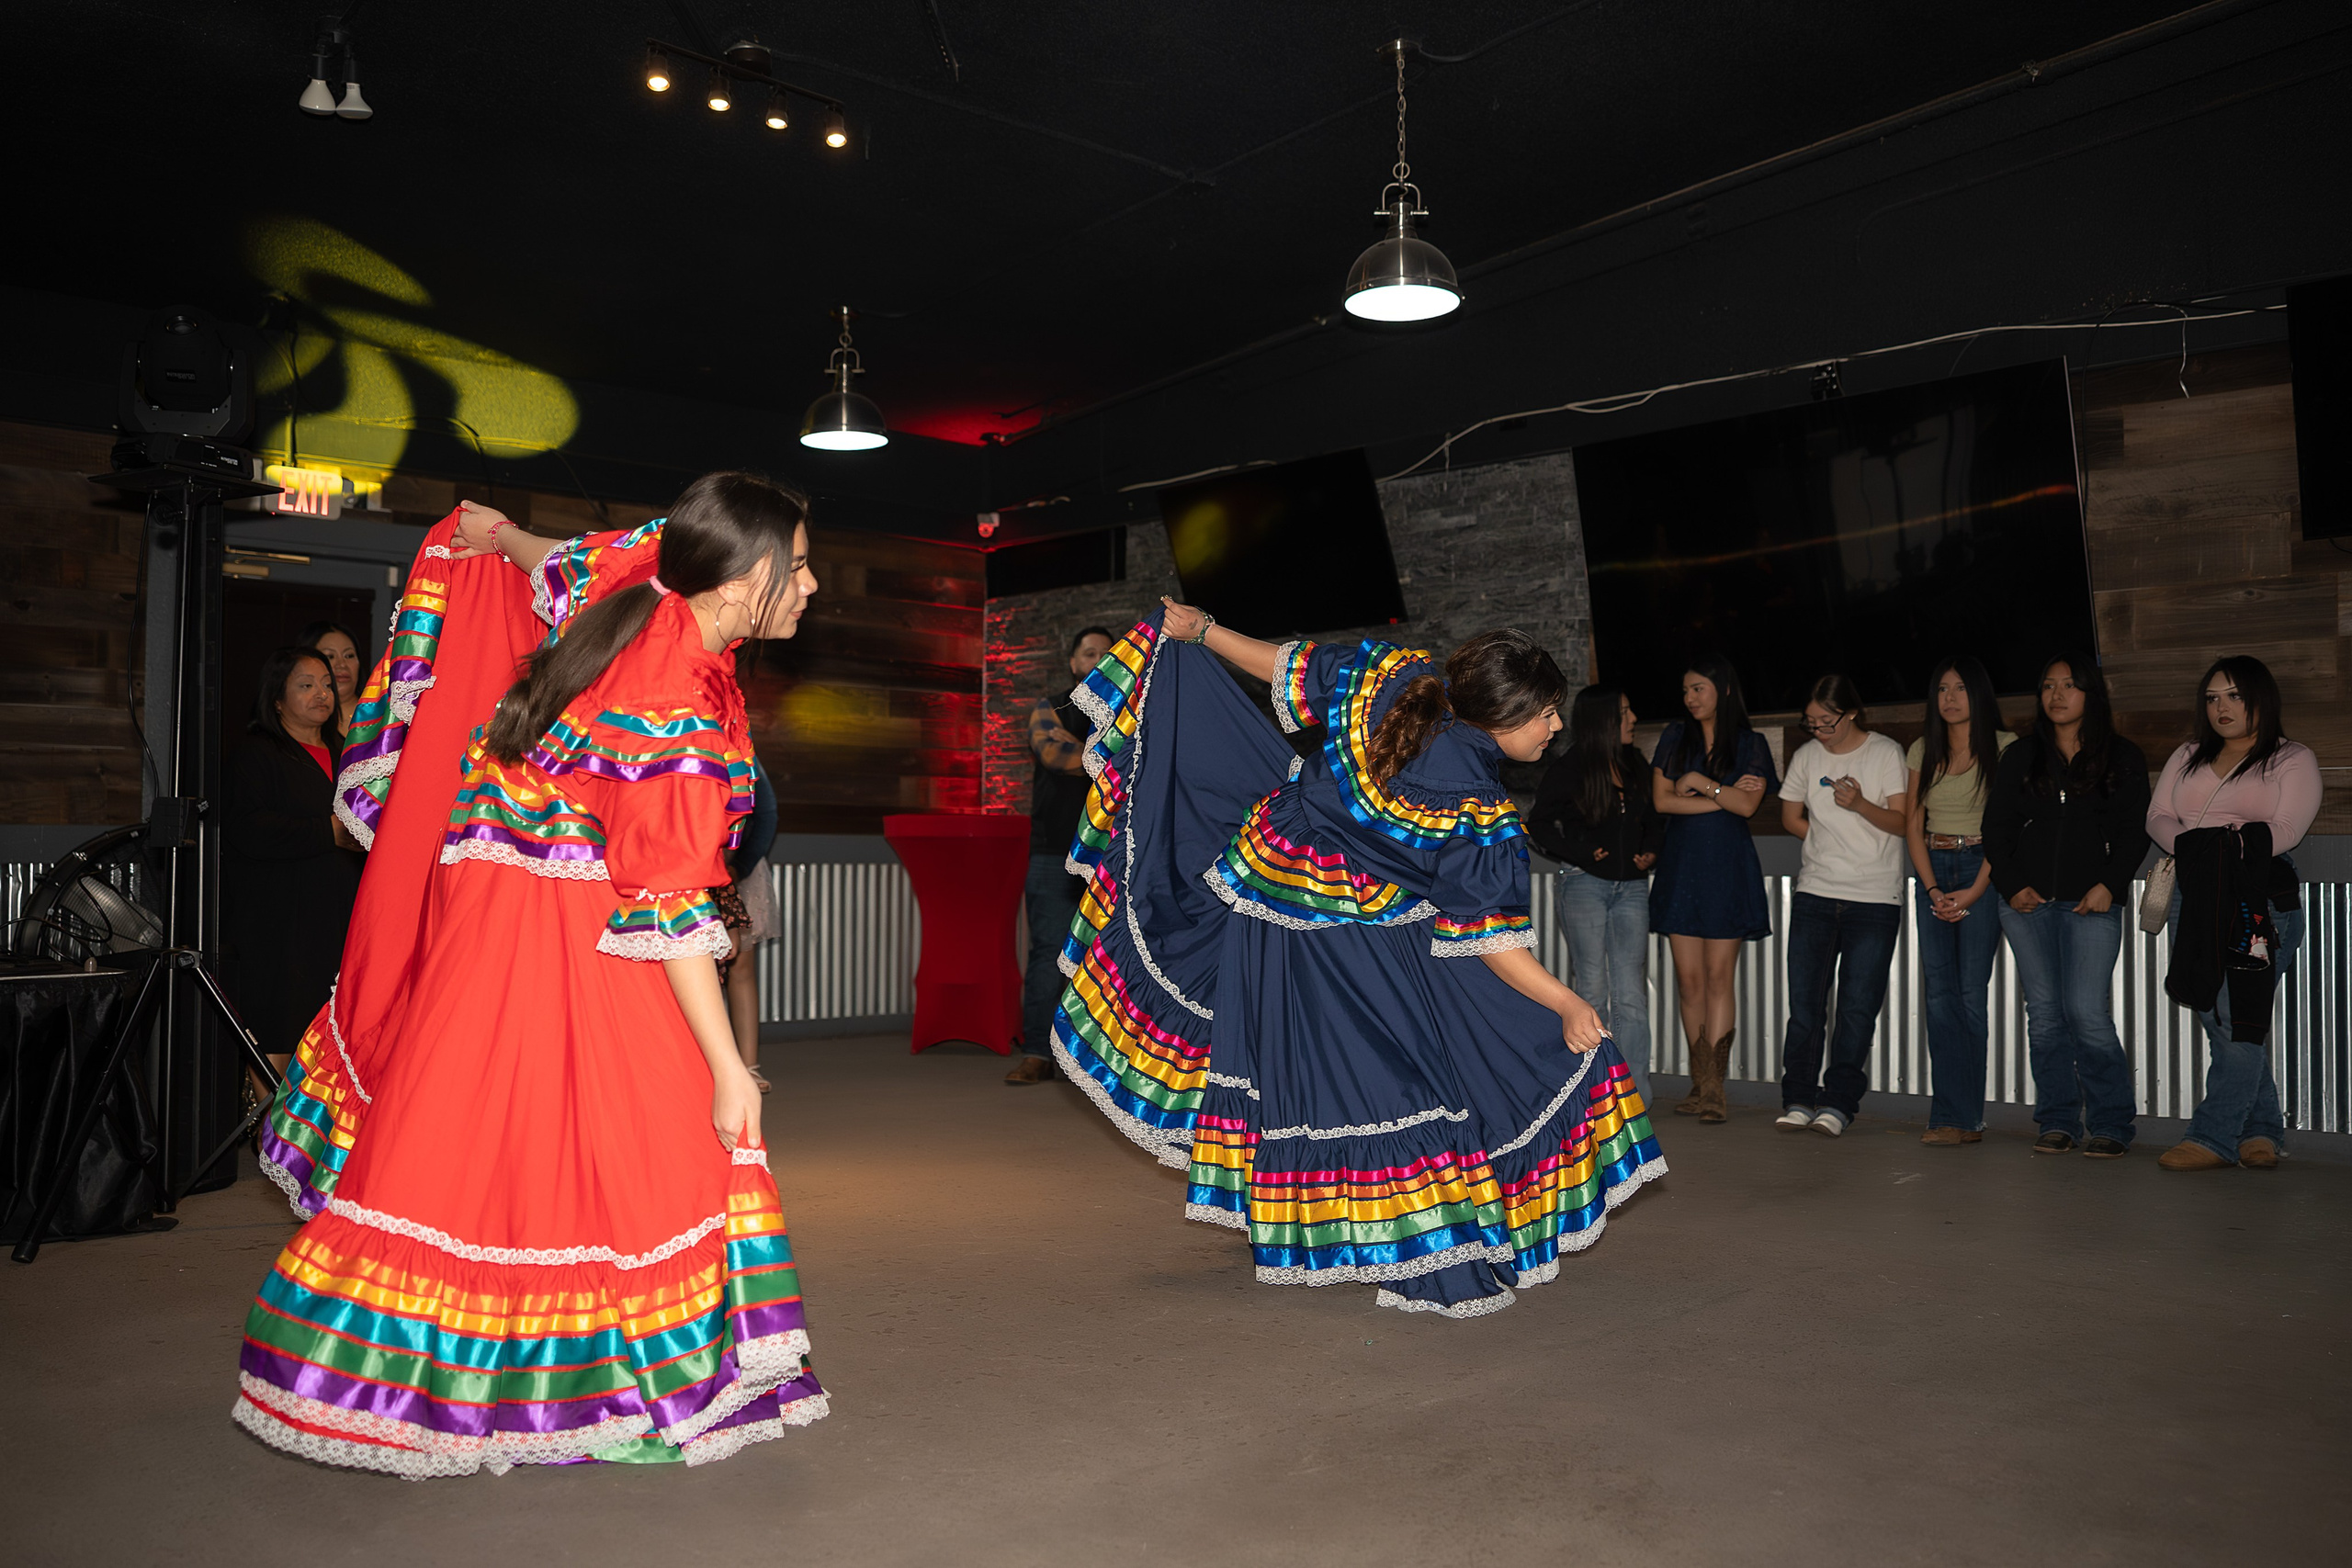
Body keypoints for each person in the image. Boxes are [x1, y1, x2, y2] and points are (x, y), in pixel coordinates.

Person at [235, 475, 829, 1474]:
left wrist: (501, 533)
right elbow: (673, 906)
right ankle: (593, 1380)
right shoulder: (667, 695)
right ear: (744, 581)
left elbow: (566, 560)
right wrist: (730, 1065)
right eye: (800, 565)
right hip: (551, 916)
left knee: (538, 1139)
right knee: (655, 1127)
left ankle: (577, 1377)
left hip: (519, 897)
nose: (814, 586)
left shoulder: (654, 594)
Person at [1050, 603, 1663, 1318]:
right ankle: (1423, 1250)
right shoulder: (1478, 809)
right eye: (1547, 714)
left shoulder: (1391, 677)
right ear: (1502, 714)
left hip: (1288, 913)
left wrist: (1204, 629)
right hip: (1332, 937)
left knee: (1363, 1070)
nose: (1556, 727)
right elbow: (1493, 938)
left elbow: (1286, 664)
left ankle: (1378, 1227)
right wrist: (1565, 1001)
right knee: (1394, 1083)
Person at [2147, 656, 2323, 1171]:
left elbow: (2288, 829)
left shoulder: (2292, 757)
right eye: (2212, 697)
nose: (2221, 707)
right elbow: (2157, 815)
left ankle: (2214, 1136)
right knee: (2217, 1009)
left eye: (2235, 696)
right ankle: (2262, 1129)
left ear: (2260, 699)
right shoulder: (2188, 753)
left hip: (2260, 896)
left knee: (2235, 1012)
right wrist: (2201, 850)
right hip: (2192, 891)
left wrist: (2217, 847)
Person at [1983, 653, 2149, 1158]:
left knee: (2086, 1013)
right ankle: (2057, 1120)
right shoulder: (2020, 755)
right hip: (2025, 905)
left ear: (2090, 694)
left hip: (2091, 904)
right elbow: (1997, 829)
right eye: (2048, 686)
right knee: (2047, 1016)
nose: (2056, 695)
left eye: (2069, 685)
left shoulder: (2121, 756)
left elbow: (2131, 831)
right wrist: (2010, 886)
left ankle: (2111, 1124)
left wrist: (2109, 884)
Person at [1772, 674, 1909, 1137]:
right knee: (1805, 1006)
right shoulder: (1807, 756)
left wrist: (1859, 806)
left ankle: (1839, 1103)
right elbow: (1790, 815)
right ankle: (1798, 1098)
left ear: (1850, 713)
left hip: (1873, 897)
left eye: (1826, 721)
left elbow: (1902, 820)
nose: (1818, 730)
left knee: (1856, 1006)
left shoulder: (1886, 752)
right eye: (1811, 723)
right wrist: (1830, 842)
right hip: (1816, 891)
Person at [1646, 657, 1776, 1123]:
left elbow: (1747, 806)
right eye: (1685, 691)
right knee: (1689, 980)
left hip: (1728, 868)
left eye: (1698, 688)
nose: (1690, 698)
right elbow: (1663, 801)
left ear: (1722, 690)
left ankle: (1715, 1090)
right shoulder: (1672, 737)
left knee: (1721, 977)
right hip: (1682, 868)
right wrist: (1721, 797)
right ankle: (1699, 1083)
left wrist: (1699, 784)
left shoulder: (1750, 744)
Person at [221, 646, 362, 1072]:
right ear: (277, 698)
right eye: (306, 685)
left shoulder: (350, 754)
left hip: (341, 921)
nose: (322, 693)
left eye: (325, 685)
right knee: (281, 1034)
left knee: (336, 1036)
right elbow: (248, 829)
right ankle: (265, 1135)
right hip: (281, 925)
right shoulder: (257, 754)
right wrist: (329, 831)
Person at [1529, 685, 1664, 1109]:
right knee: (1591, 987)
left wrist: (1650, 851)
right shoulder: (1571, 767)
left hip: (1632, 887)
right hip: (1584, 882)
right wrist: (1582, 852)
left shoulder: (1636, 763)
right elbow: (1541, 824)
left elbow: (1655, 818)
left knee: (1631, 994)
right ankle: (1595, 1095)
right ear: (1603, 719)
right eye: (1624, 711)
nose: (1633, 718)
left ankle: (1636, 1095)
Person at [1904, 656, 2015, 1146]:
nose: (1949, 698)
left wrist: (1973, 890)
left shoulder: (2006, 747)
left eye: (1960, 689)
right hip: (1933, 864)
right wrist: (1930, 888)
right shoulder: (1922, 749)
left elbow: (2004, 827)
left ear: (1980, 695)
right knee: (1938, 996)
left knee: (1970, 995)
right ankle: (1949, 1116)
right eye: (1943, 689)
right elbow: (1912, 824)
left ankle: (1965, 1118)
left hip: (1981, 869)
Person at [1005, 626, 1115, 1086]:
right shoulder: (1051, 707)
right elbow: (1056, 753)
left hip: (1111, 854)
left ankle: (1094, 1064)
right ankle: (1036, 1052)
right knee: (1050, 951)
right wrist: (1116, 754)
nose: (1097, 660)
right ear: (1074, 664)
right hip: (1055, 852)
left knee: (1108, 959)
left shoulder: (1130, 714)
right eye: (1089, 654)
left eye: (1108, 655)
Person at [720, 756, 780, 1092]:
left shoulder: (743, 751)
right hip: (695, 866)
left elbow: (767, 813)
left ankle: (749, 1066)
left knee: (741, 965)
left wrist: (739, 866)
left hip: (738, 869)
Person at [298, 618, 364, 736]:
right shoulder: (298, 722)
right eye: (330, 656)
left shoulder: (379, 714)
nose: (342, 665)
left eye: (349, 656)